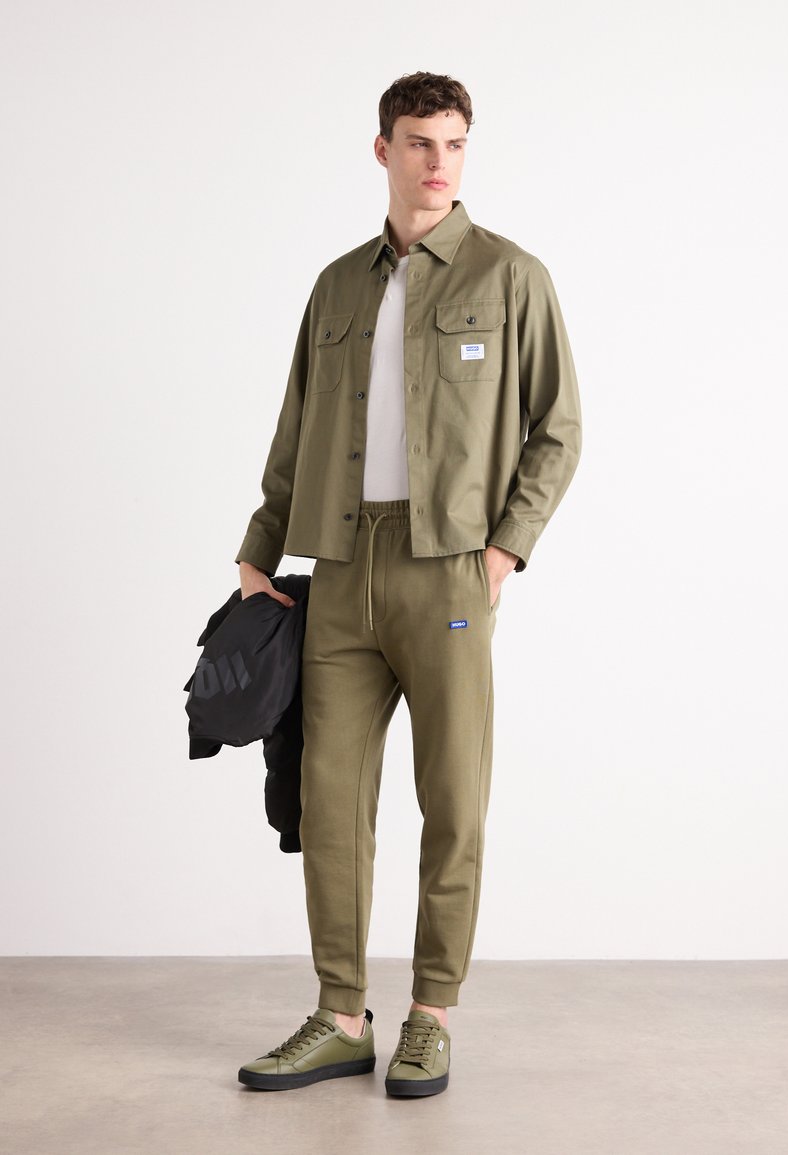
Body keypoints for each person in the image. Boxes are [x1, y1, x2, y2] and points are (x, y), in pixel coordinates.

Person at [234, 71, 581, 1098]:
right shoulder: (338, 285)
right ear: (382, 149)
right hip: (339, 568)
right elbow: (297, 427)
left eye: (454, 143)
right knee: (329, 800)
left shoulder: (510, 276)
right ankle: (341, 1016)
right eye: (420, 142)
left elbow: (558, 429)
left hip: (448, 572)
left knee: (453, 799)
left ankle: (431, 1014)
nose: (439, 162)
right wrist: (259, 548)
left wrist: (503, 550)